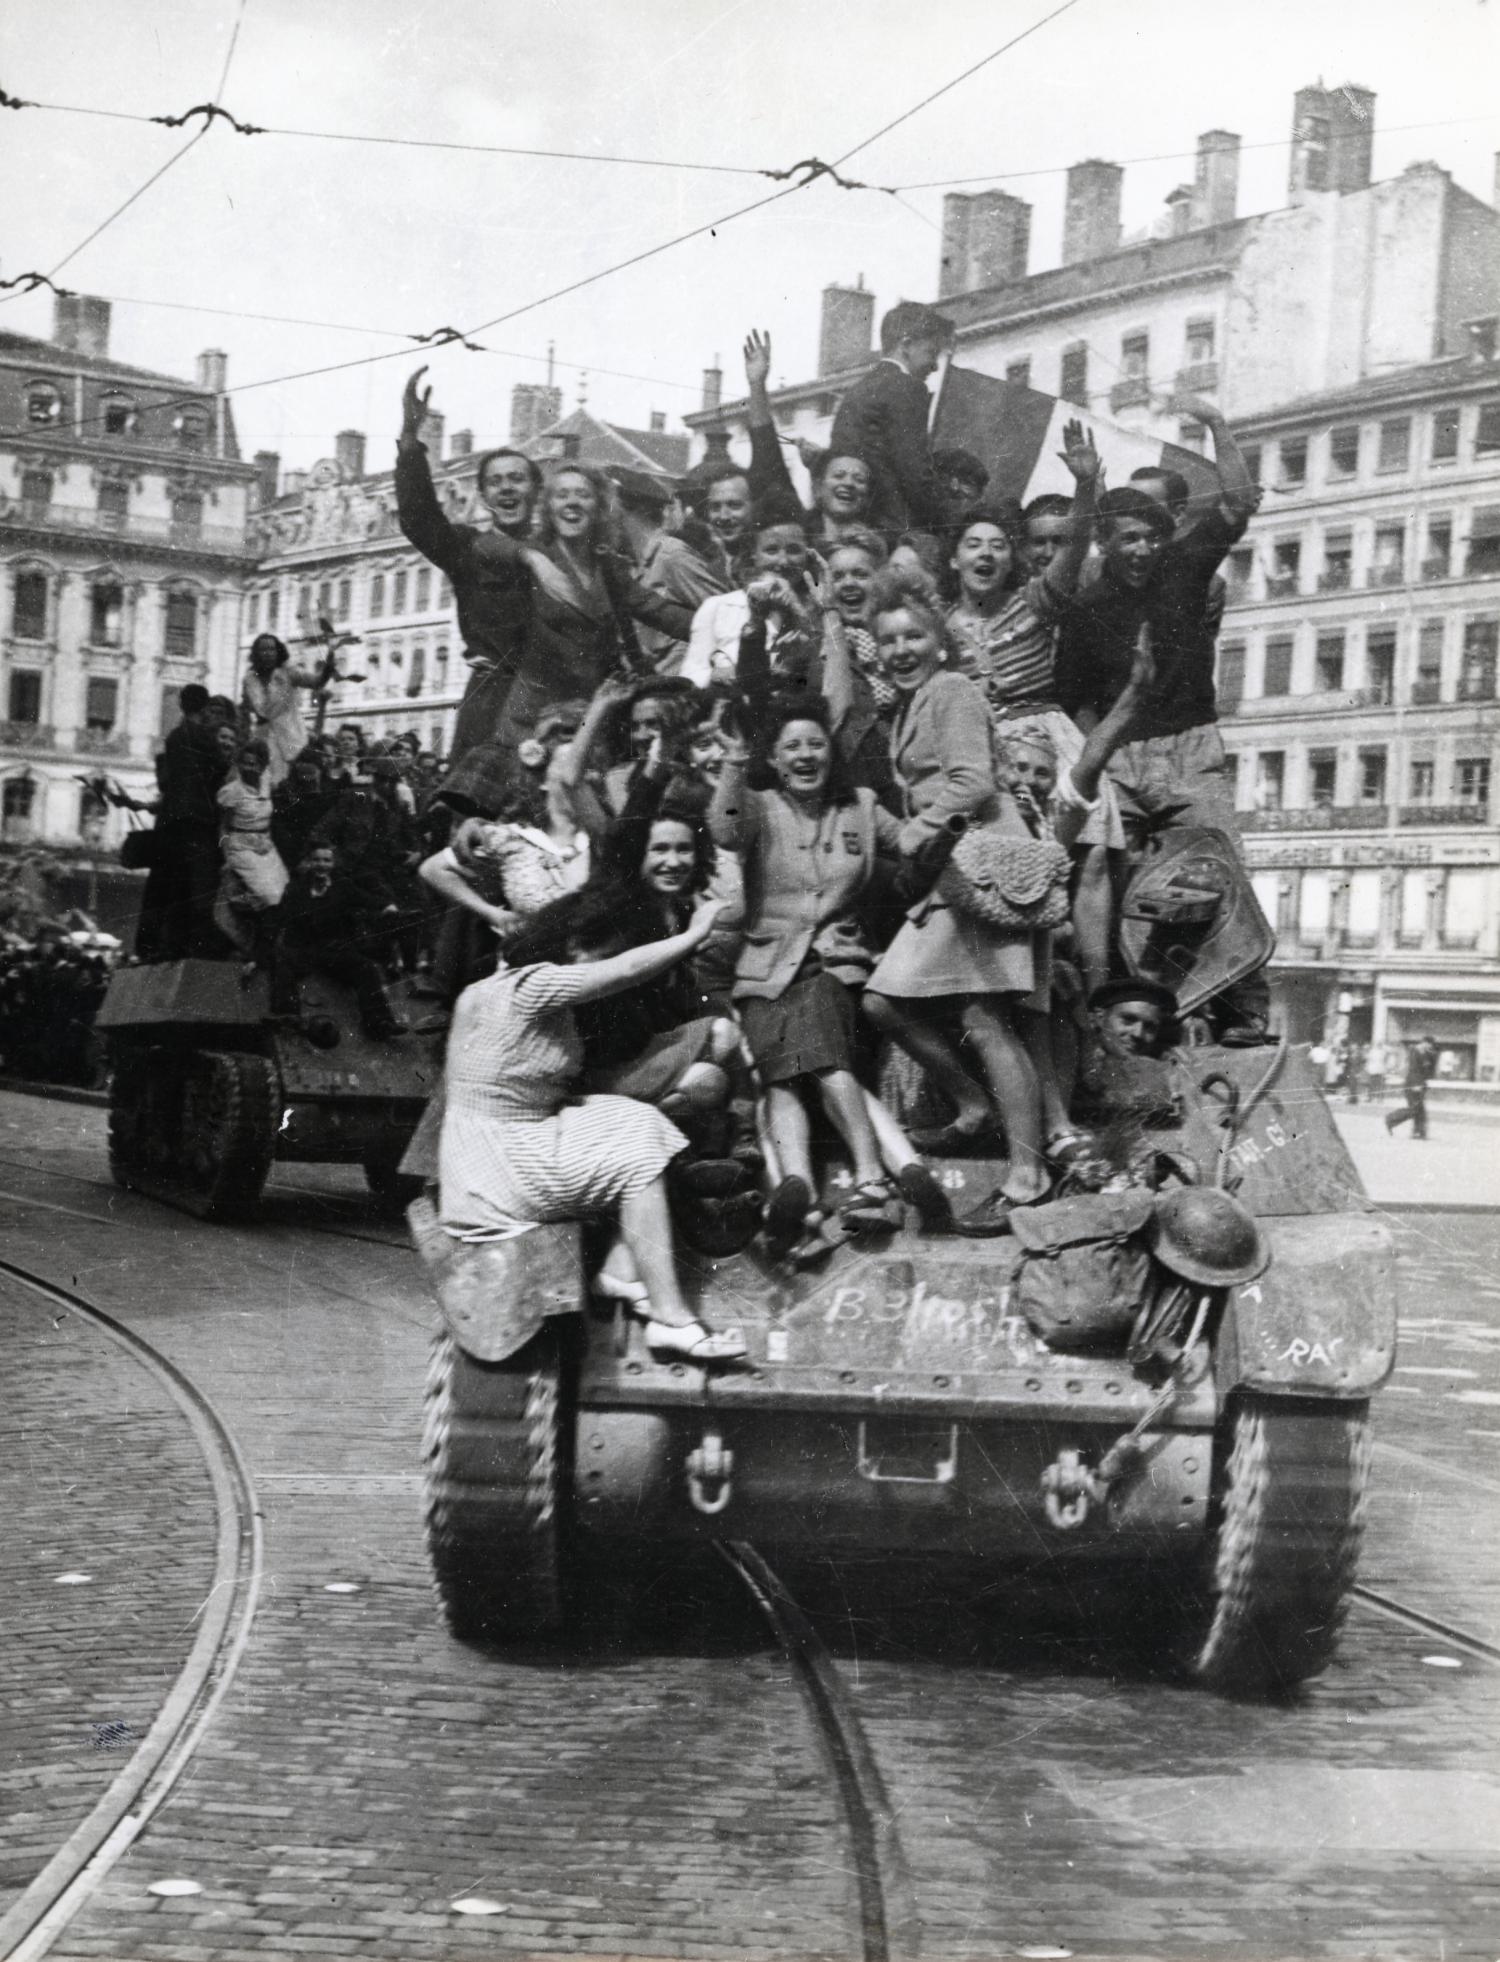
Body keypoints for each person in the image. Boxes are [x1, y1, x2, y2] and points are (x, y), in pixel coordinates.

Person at [437, 883, 745, 1362]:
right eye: (595, 954)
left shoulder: (483, 991)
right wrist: (693, 935)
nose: (598, 965)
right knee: (638, 1146)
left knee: (636, 1120)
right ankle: (669, 1317)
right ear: (568, 944)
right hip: (499, 1169)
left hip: (482, 1153)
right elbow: (622, 972)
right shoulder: (533, 985)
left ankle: (621, 1269)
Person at [1054, 399, 1266, 1042]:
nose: (1143, 548)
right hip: (1120, 754)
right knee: (1101, 873)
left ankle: (1242, 1004)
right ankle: (1104, 1000)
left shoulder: (1185, 565)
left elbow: (1240, 500)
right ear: (1105, 543)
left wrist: (1218, 424)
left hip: (1189, 748)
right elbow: (1073, 695)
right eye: (1128, 538)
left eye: (1151, 535)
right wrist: (1102, 754)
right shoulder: (1087, 607)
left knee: (1220, 865)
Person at [711, 694, 947, 1254]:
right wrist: (733, 762)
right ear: (774, 756)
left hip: (835, 963)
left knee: (814, 1042)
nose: (805, 754)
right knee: (781, 1074)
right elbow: (723, 830)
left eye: (815, 743)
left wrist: (953, 822)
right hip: (764, 969)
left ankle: (869, 1177)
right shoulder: (758, 804)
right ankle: (801, 1183)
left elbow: (912, 842)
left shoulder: (861, 805)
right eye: (792, 745)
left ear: (830, 752)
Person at [859, 566, 1053, 1207]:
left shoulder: (952, 690)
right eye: (888, 642)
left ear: (940, 642)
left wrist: (918, 829)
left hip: (984, 861)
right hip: (956, 866)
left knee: (985, 1019)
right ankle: (974, 1108)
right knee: (887, 1000)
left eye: (914, 637)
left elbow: (973, 782)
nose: (901, 651)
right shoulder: (914, 704)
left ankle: (1027, 1176)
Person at [944, 421, 1117, 994]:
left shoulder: (1035, 601)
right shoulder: (938, 628)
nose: (986, 553)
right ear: (954, 560)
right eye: (974, 544)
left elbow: (1070, 552)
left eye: (998, 544)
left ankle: (1096, 994)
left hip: (1049, 734)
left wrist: (1087, 486)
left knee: (1089, 859)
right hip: (986, 746)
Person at [396, 367, 542, 761]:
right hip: (491, 699)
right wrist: (411, 438)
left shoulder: (562, 552)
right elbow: (418, 518)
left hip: (551, 699)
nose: (507, 487)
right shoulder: (469, 549)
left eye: (518, 478)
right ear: (483, 496)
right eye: (496, 482)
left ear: (537, 490)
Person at [827, 301, 955, 535]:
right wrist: (951, 522)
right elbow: (915, 475)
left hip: (855, 524)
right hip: (893, 529)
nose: (935, 366)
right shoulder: (907, 388)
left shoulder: (858, 390)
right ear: (906, 345)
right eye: (931, 353)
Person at [742, 330, 877, 551]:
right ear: (817, 488)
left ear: (869, 495)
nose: (848, 484)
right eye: (839, 475)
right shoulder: (800, 532)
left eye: (859, 479)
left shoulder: (877, 546)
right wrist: (757, 385)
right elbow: (767, 452)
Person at [272, 843, 407, 1039]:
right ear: (309, 862)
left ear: (333, 863)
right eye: (316, 859)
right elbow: (279, 919)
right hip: (303, 949)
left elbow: (365, 899)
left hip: (330, 950)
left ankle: (378, 1021)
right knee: (282, 969)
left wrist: (387, 906)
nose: (321, 865)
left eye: (327, 860)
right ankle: (288, 1018)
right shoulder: (295, 888)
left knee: (365, 968)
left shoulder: (342, 886)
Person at [145, 683, 229, 959]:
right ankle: (193, 944)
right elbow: (222, 771)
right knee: (199, 885)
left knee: (174, 884)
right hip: (200, 819)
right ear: (204, 707)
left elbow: (168, 780)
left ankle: (169, 945)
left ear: (182, 705)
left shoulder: (174, 736)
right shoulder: (206, 738)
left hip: (172, 819)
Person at [215, 738, 289, 963]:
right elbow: (224, 827)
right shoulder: (232, 791)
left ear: (263, 765)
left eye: (255, 764)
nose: (250, 768)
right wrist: (227, 857)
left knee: (285, 893)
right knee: (269, 896)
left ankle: (268, 949)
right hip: (240, 846)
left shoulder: (267, 784)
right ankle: (257, 952)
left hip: (266, 845)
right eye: (245, 763)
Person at [239, 634, 335, 786]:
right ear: (256, 653)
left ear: (278, 652)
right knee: (268, 782)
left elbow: (317, 681)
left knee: (294, 782)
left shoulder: (288, 672)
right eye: (263, 649)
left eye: (271, 649)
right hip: (264, 737)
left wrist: (329, 663)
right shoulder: (249, 679)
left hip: (292, 736)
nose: (267, 653)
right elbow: (245, 709)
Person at [1385, 1035, 1438, 1139]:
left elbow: (1425, 1069)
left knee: (1420, 1110)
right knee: (1414, 1109)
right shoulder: (1415, 1051)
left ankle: (1419, 1133)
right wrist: (1416, 1084)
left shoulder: (1423, 1053)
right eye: (1429, 1046)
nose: (1429, 1048)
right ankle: (1390, 1119)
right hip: (1413, 1084)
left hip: (1418, 1084)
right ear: (1424, 1042)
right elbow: (1414, 1070)